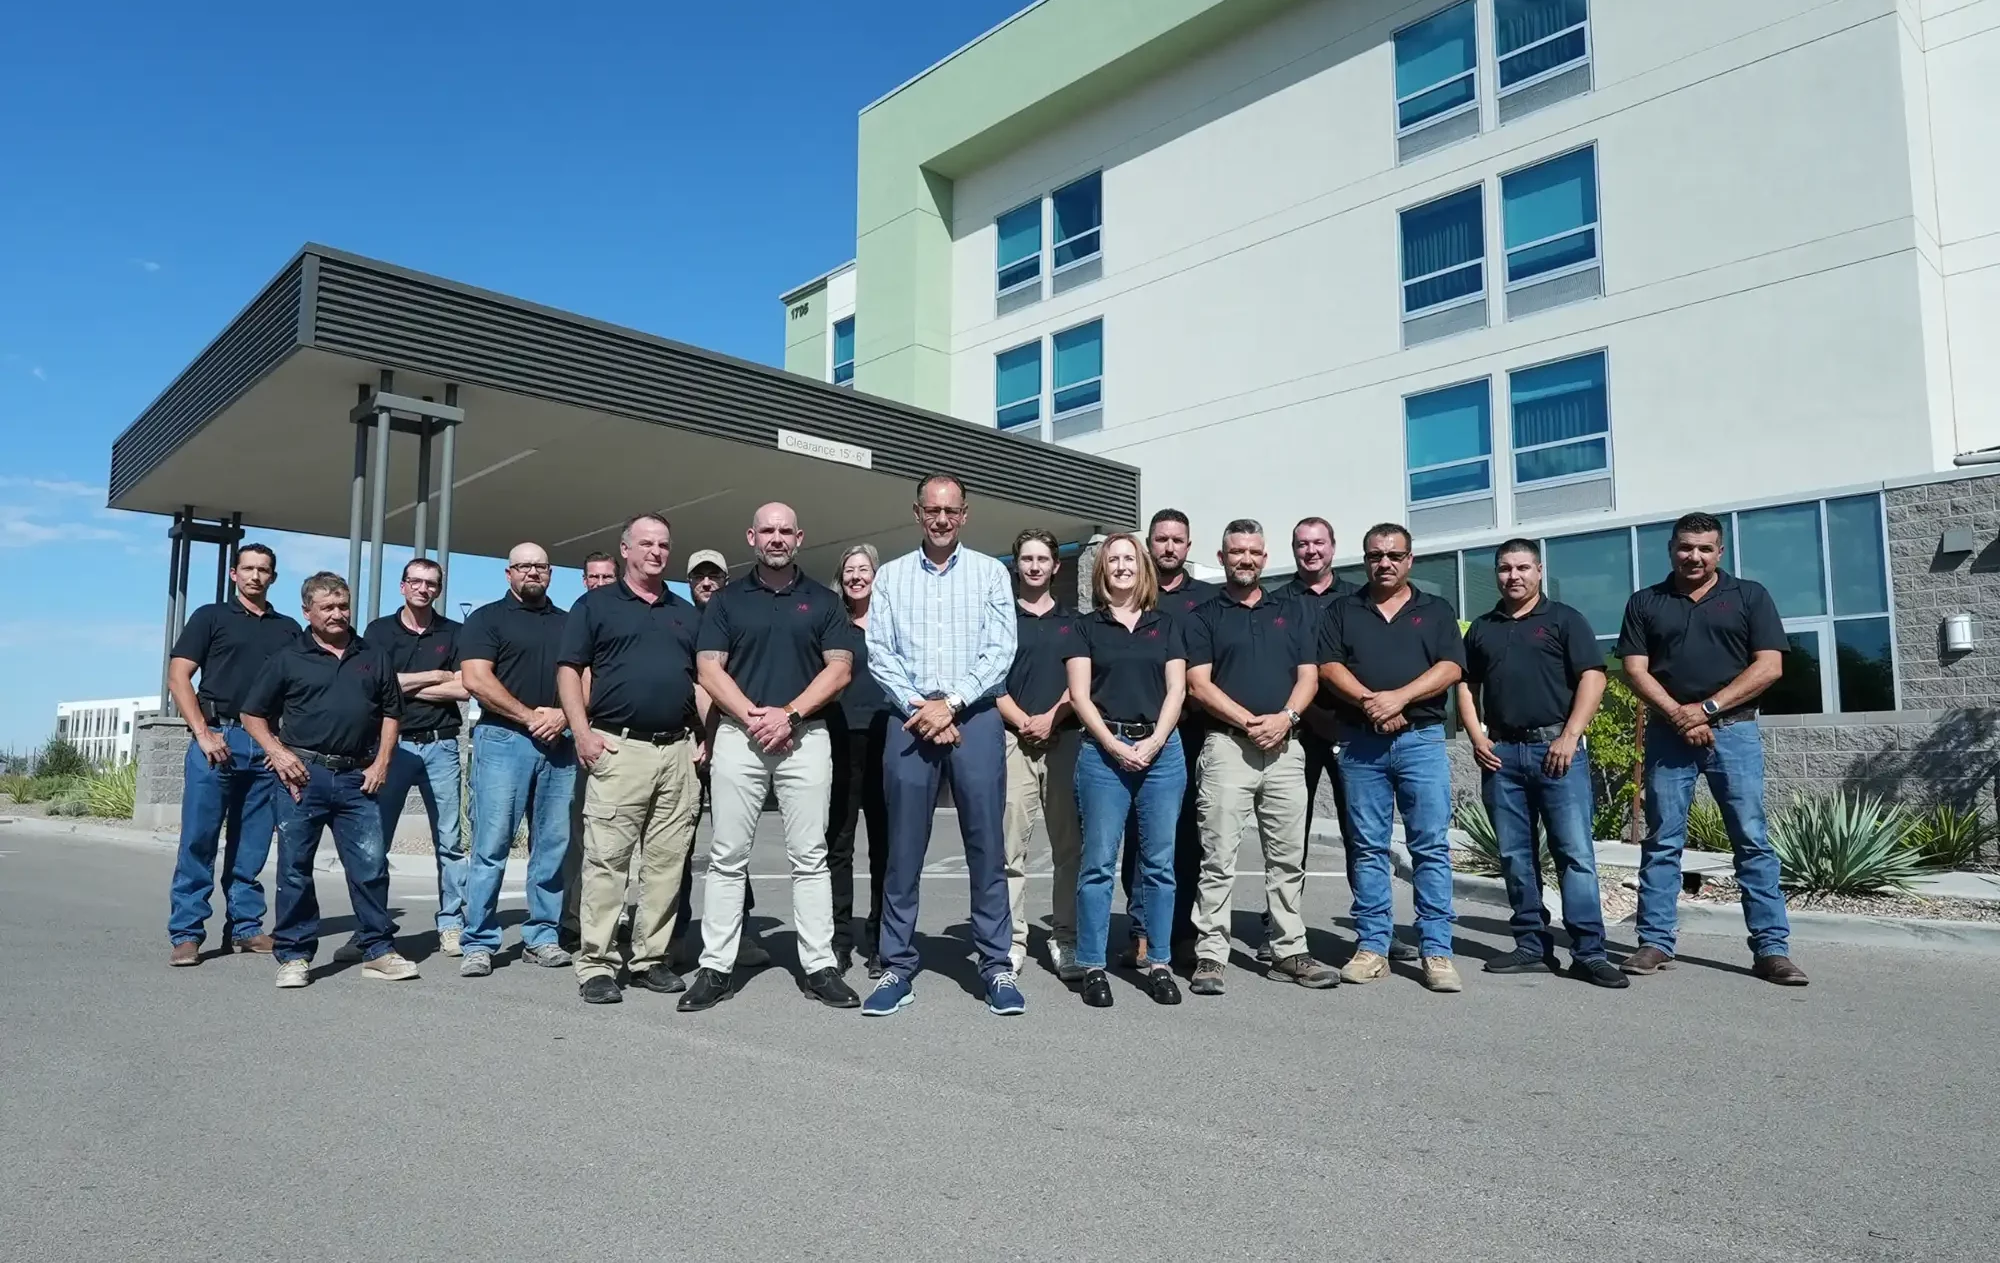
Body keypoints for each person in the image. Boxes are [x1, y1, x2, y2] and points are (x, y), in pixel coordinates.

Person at [1615, 513, 1806, 986]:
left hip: (1734, 733)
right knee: (1662, 841)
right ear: (1671, 550)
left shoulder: (1750, 596)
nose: (1694, 556)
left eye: (1704, 548)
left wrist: (1706, 709)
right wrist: (1680, 715)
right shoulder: (1645, 602)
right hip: (1669, 736)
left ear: (1720, 552)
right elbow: (1635, 670)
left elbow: (1769, 667)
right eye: (1685, 547)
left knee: (1751, 840)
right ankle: (1655, 941)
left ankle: (1771, 950)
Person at [685, 503, 860, 1012]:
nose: (777, 538)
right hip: (739, 738)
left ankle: (820, 966)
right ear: (752, 537)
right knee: (726, 857)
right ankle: (715, 969)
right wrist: (754, 717)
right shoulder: (727, 600)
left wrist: (789, 715)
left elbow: (840, 670)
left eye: (785, 531)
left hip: (806, 737)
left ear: (799, 538)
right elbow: (709, 669)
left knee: (810, 857)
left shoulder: (824, 601)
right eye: (768, 530)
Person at [863, 473, 1021, 1018]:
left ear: (964, 515)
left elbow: (1000, 650)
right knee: (902, 850)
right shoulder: (890, 576)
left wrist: (950, 704)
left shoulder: (990, 573)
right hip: (909, 719)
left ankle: (995, 964)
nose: (942, 519)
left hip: (974, 717)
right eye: (932, 510)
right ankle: (896, 965)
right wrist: (923, 708)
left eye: (951, 510)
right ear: (917, 513)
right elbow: (879, 652)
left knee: (987, 848)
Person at [1454, 540, 1624, 989]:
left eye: (1523, 567)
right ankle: (1532, 945)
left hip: (1557, 753)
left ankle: (1589, 952)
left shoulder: (1565, 620)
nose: (1514, 576)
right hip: (1502, 756)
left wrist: (1570, 736)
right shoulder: (1483, 628)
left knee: (1575, 854)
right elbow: (1466, 685)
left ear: (1539, 570)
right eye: (1505, 568)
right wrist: (1477, 736)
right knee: (1515, 856)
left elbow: (1593, 677)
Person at [240, 571, 417, 987]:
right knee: (295, 869)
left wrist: (382, 763)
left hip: (358, 776)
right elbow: (252, 714)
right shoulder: (287, 658)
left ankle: (378, 949)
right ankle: (294, 956)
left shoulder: (373, 655)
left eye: (343, 606)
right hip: (303, 775)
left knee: (371, 866)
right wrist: (278, 753)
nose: (338, 614)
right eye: (327, 608)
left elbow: (391, 713)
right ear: (308, 612)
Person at [1183, 519, 1335, 995]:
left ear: (1265, 558)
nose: (1245, 559)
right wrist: (1250, 721)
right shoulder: (1204, 616)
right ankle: (1211, 955)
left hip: (1286, 749)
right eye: (1236, 552)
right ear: (1222, 557)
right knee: (1217, 858)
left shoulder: (1293, 612)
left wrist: (1285, 718)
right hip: (1228, 747)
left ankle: (1288, 951)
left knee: (1288, 859)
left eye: (1253, 552)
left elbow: (1309, 677)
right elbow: (1198, 684)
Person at [557, 514, 704, 1005]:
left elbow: (701, 681)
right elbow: (570, 670)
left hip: (677, 751)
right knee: (607, 861)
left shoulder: (685, 613)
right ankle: (597, 963)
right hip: (618, 749)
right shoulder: (595, 605)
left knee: (667, 863)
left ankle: (650, 959)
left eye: (663, 544)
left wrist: (707, 736)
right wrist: (583, 734)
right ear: (625, 549)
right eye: (646, 543)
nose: (656, 552)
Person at [1318, 523, 1467, 993]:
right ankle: (1372, 947)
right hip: (1361, 744)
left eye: (1394, 555)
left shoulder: (1435, 610)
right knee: (1367, 846)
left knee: (1430, 847)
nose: (1385, 563)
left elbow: (1451, 667)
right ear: (1365, 560)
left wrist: (1399, 698)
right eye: (1375, 555)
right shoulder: (1343, 610)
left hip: (1421, 740)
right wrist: (1372, 703)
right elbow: (1329, 666)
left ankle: (1437, 951)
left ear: (1410, 559)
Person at [1274, 516, 1417, 964]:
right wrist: (1308, 717)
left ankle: (1375, 932)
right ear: (1294, 550)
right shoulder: (1277, 603)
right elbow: (1279, 668)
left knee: (1363, 836)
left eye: (1319, 543)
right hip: (1299, 732)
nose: (1311, 551)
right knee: (1289, 836)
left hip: (1356, 731)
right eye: (1303, 544)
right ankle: (1281, 930)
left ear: (1333, 548)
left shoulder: (1359, 598)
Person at [1062, 533, 1187, 1008]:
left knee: (1159, 865)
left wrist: (1153, 742)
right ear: (1102, 570)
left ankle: (1159, 963)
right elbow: (1079, 696)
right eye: (1112, 560)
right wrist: (1115, 745)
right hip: (1103, 752)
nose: (1121, 566)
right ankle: (1093, 965)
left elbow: (1177, 691)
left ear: (1142, 567)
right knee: (1097, 864)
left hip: (1162, 752)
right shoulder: (1086, 627)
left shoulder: (1166, 624)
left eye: (1129, 559)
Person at [163, 543, 300, 965]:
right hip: (217, 740)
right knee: (199, 840)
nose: (256, 576)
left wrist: (281, 746)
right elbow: (179, 676)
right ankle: (187, 933)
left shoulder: (288, 629)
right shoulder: (211, 616)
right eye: (249, 568)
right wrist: (203, 734)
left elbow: (298, 690)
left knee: (253, 844)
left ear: (273, 577)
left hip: (265, 746)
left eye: (264, 570)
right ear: (234, 574)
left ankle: (245, 927)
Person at [458, 542, 576, 976]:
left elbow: (587, 676)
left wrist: (563, 716)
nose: (532, 572)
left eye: (540, 566)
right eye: (523, 566)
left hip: (559, 742)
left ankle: (542, 936)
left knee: (552, 846)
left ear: (550, 573)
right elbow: (476, 678)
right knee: (491, 845)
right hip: (503, 740)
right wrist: (530, 717)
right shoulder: (486, 619)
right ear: (508, 573)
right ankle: (478, 941)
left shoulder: (569, 622)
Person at [1124, 508, 1218, 965]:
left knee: (1186, 836)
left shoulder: (1207, 600)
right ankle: (1140, 930)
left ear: (1188, 546)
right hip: (1139, 734)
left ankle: (1182, 931)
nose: (1169, 547)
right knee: (1138, 836)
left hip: (1193, 731)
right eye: (1161, 539)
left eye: (1177, 540)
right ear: (1149, 544)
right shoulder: (1132, 594)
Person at [363, 558, 469, 958]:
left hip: (442, 745)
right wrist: (437, 675)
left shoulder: (455, 632)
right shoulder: (379, 631)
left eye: (431, 583)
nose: (423, 589)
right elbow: (374, 685)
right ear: (403, 586)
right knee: (376, 842)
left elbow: (464, 689)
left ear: (438, 589)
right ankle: (372, 928)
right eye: (416, 582)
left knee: (450, 842)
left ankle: (452, 924)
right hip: (393, 746)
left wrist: (402, 684)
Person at [668, 547, 765, 971]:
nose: (706, 583)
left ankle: (739, 933)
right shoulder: (679, 621)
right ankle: (674, 934)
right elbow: (694, 683)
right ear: (689, 582)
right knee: (677, 844)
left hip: (730, 739)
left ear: (726, 579)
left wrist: (716, 734)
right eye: (698, 577)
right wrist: (702, 734)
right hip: (685, 743)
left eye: (714, 576)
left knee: (732, 841)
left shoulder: (736, 617)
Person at [995, 529, 1083, 979]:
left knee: (1070, 849)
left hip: (1064, 740)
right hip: (1014, 741)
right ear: (1017, 565)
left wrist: (1051, 717)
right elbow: (992, 681)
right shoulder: (1000, 619)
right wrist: (1023, 720)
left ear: (1055, 566)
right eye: (1027, 559)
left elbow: (1082, 683)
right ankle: (1011, 941)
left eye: (1042, 559)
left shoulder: (1075, 622)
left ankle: (1065, 938)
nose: (1034, 566)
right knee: (1010, 849)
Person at [827, 543, 892, 977]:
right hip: (840, 738)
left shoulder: (891, 623)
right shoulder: (833, 624)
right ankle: (839, 940)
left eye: (863, 569)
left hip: (886, 737)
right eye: (849, 570)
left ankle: (882, 939)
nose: (856, 576)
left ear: (875, 575)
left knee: (885, 845)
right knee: (839, 844)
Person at [559, 551, 621, 953]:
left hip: (616, 736)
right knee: (581, 836)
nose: (599, 583)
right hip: (585, 735)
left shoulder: (625, 615)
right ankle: (573, 918)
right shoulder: (579, 615)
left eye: (606, 577)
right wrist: (575, 723)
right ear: (584, 581)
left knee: (620, 840)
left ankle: (615, 919)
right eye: (593, 577)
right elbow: (575, 673)